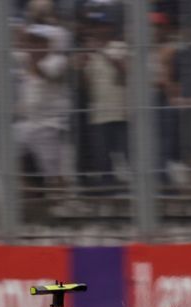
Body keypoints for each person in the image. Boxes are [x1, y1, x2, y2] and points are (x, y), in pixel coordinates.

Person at [15, 23, 70, 189]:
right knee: (19, 159)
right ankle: (31, 198)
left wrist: (31, 57)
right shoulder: (28, 58)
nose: (33, 45)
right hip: (27, 121)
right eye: (32, 41)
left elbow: (45, 74)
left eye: (38, 41)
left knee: (51, 170)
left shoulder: (57, 60)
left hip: (49, 123)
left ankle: (61, 200)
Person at [80, 14, 128, 191]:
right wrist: (83, 64)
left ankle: (137, 187)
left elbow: (126, 71)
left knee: (127, 153)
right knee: (102, 155)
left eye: (102, 25)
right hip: (99, 111)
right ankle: (107, 188)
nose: (99, 29)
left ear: (110, 27)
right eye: (95, 26)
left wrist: (102, 51)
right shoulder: (90, 52)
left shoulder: (120, 46)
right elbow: (86, 86)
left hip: (120, 110)